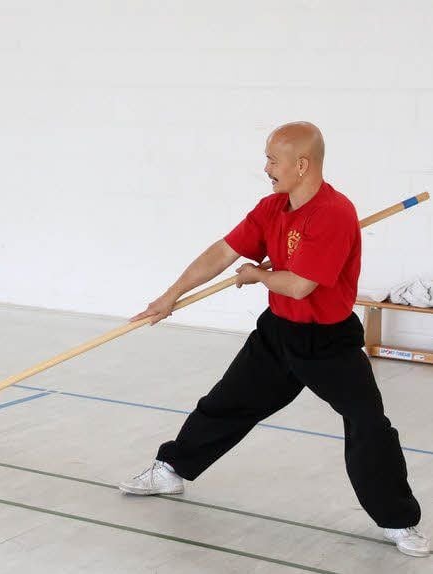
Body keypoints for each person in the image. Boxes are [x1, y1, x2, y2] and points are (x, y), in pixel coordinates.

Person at [119, 122, 428, 557]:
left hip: (328, 342)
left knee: (368, 426)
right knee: (228, 402)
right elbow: (222, 252)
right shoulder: (273, 208)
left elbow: (301, 285)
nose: (266, 168)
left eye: (272, 160)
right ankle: (172, 470)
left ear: (301, 165)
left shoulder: (334, 213)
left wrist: (257, 275)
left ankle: (399, 521)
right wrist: (171, 296)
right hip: (278, 333)